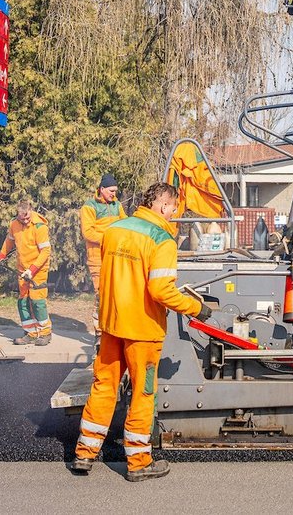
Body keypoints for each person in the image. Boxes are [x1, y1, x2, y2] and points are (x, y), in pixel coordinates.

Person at [72, 182, 212, 482]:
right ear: (163, 206)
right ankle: (138, 462)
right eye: (174, 209)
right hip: (142, 330)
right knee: (143, 393)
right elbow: (161, 290)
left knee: (103, 386)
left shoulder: (115, 229)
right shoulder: (162, 241)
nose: (174, 215)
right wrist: (195, 308)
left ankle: (84, 453)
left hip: (111, 326)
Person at [0, 199, 53, 346]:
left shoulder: (39, 226)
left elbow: (45, 252)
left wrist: (32, 270)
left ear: (31, 210)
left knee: (38, 302)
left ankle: (45, 333)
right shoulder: (14, 224)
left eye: (27, 217)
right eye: (21, 217)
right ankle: (30, 333)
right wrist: (0, 257)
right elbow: (9, 241)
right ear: (17, 213)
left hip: (38, 270)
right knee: (23, 301)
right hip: (22, 269)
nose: (24, 220)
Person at [79, 173, 126, 335]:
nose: (114, 193)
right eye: (111, 190)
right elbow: (88, 233)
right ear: (102, 189)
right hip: (97, 258)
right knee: (101, 294)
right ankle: (99, 331)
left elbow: (124, 223)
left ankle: (113, 328)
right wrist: (110, 239)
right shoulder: (89, 206)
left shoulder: (117, 205)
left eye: (115, 191)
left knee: (117, 292)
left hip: (116, 256)